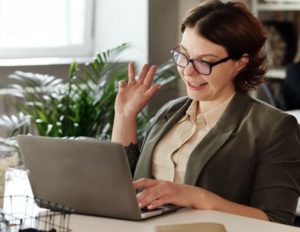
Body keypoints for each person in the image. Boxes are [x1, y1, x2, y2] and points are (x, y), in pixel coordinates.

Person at [111, 0, 300, 225]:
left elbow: (277, 220)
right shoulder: (170, 112)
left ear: (240, 63)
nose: (188, 71)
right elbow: (127, 183)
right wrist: (124, 116)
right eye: (183, 55)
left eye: (205, 62)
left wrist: (196, 197)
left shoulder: (273, 127)